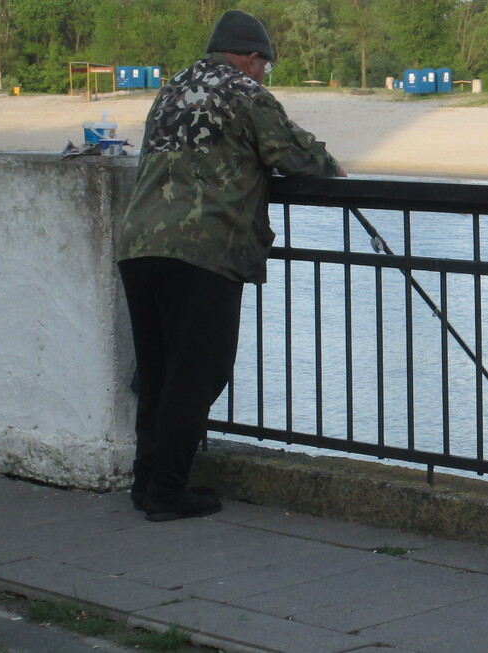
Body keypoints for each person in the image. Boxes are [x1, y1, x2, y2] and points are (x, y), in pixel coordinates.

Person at [116, 9, 345, 521]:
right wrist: (334, 167)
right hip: (202, 250)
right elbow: (296, 154)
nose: (264, 72)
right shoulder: (245, 93)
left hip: (138, 245)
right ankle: (167, 493)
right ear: (250, 57)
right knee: (199, 371)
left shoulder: (173, 88)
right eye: (265, 63)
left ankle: (145, 481)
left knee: (157, 373)